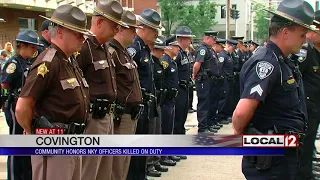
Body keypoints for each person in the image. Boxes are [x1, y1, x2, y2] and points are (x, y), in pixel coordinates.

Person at [232, 0, 315, 179]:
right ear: (286, 33)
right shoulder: (267, 62)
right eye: (302, 35)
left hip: (283, 156)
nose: (304, 40)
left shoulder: (283, 60)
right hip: (271, 162)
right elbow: (240, 114)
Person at [15, 4, 92, 180]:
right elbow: (22, 107)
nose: (82, 38)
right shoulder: (48, 62)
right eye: (77, 33)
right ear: (60, 32)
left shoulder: (69, 61)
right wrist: (34, 133)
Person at [76, 1, 127, 180]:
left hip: (108, 118)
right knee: (89, 171)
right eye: (114, 26)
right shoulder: (84, 47)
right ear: (99, 22)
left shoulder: (106, 48)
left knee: (105, 171)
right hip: (93, 119)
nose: (116, 30)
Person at [126, 8, 164, 180]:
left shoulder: (145, 48)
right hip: (137, 107)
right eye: (154, 30)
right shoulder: (134, 48)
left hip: (146, 106)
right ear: (144, 28)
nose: (156, 34)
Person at [1, 29, 42, 180]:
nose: (35, 50)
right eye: (32, 47)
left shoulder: (29, 62)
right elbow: (5, 84)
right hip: (14, 105)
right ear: (22, 46)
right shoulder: (13, 63)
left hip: (26, 106)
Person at [107, 10, 143, 180]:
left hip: (131, 114)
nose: (135, 33)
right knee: (117, 164)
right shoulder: (112, 52)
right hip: (121, 116)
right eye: (132, 29)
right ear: (121, 29)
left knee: (124, 163)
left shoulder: (124, 52)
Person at [297, 10, 320, 180]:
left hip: (315, 105)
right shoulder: (305, 51)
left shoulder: (316, 51)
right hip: (307, 106)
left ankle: (307, 169)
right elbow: (297, 79)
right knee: (304, 143)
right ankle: (303, 174)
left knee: (310, 141)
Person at [146, 36, 169, 177]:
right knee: (151, 134)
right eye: (160, 50)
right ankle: (149, 164)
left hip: (158, 101)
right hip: (151, 101)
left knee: (157, 132)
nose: (162, 53)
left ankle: (155, 160)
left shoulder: (158, 63)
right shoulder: (151, 63)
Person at [192, 31, 219, 134]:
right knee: (204, 104)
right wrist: (195, 75)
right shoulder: (203, 50)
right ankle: (202, 128)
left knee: (209, 103)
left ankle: (208, 124)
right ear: (207, 38)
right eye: (213, 39)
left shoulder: (209, 49)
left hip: (209, 80)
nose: (214, 41)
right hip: (203, 80)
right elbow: (197, 64)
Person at [160, 35, 180, 165]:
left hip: (172, 99)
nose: (178, 49)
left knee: (169, 127)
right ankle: (163, 155)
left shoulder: (171, 61)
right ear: (169, 47)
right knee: (164, 127)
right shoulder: (164, 61)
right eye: (176, 46)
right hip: (165, 99)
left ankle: (168, 152)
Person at [174, 26, 193, 137]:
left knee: (183, 116)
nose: (190, 41)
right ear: (181, 39)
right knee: (178, 117)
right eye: (188, 39)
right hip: (178, 89)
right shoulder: (176, 55)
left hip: (185, 88)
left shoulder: (184, 53)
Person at [216, 40, 238, 126]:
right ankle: (220, 117)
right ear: (229, 46)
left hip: (229, 79)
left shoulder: (229, 55)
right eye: (233, 47)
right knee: (223, 99)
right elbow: (220, 68)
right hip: (224, 80)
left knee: (228, 99)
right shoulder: (222, 55)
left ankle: (225, 115)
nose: (234, 49)